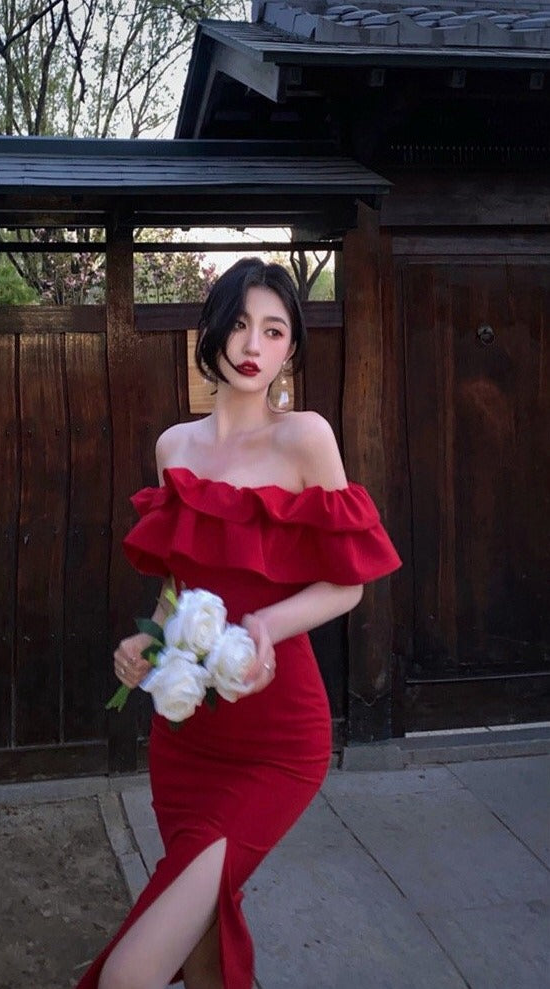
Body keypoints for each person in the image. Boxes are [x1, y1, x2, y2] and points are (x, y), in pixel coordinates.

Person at [76, 257, 401, 989]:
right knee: (200, 937)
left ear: (290, 349)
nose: (253, 343)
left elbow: (346, 583)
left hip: (277, 736)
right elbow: (176, 589)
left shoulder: (305, 438)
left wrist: (265, 625)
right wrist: (147, 643)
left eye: (274, 329)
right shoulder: (173, 447)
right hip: (185, 735)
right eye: (240, 324)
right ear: (212, 333)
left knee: (131, 972)